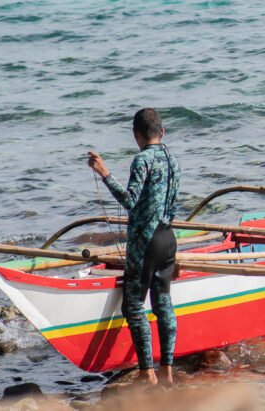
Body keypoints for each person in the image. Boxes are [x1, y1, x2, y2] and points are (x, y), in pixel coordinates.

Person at [86, 108, 180, 386]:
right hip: (168, 238)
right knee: (163, 304)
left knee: (134, 306)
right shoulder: (172, 159)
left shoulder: (142, 160)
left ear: (136, 135)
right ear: (161, 132)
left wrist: (105, 174)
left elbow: (130, 201)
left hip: (146, 243)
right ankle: (168, 371)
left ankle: (146, 372)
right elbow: (172, 203)